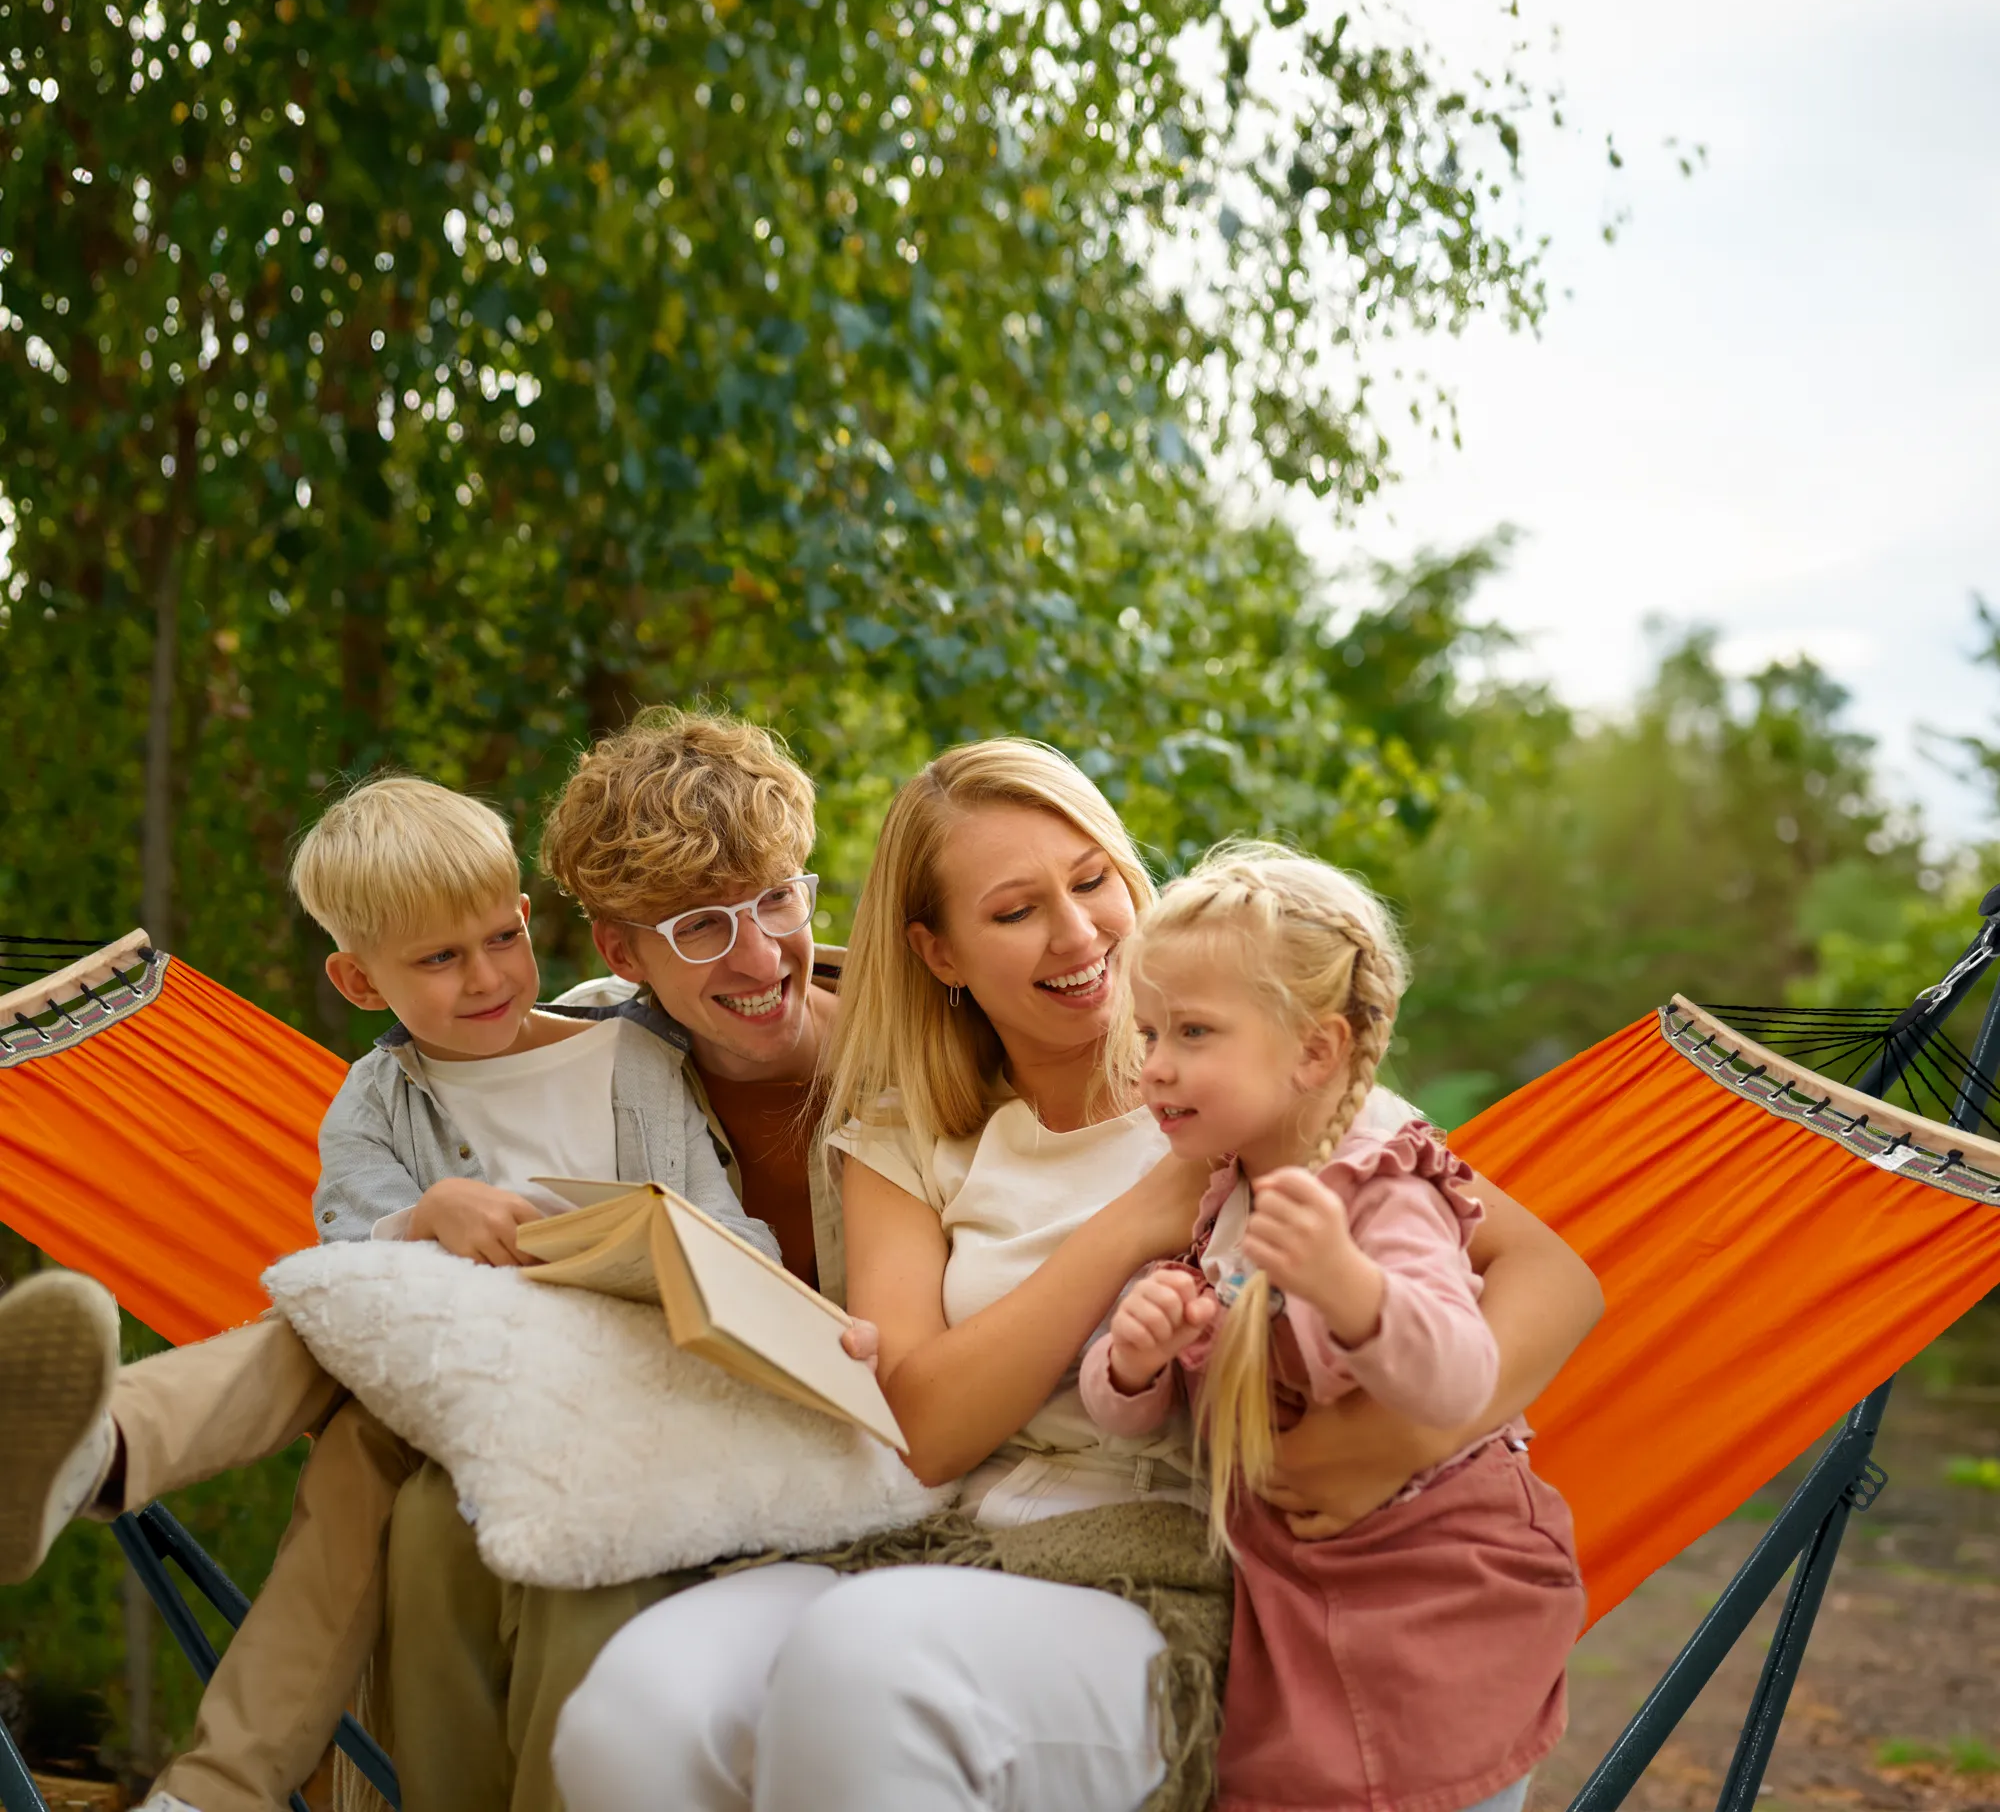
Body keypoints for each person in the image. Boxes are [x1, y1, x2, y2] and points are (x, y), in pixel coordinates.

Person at [551, 738, 1604, 1812]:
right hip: (938, 1535)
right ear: (940, 952)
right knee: (636, 1709)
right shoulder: (904, 1139)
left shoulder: (1245, 1080)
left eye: (1092, 878)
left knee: (872, 1661)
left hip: (1169, 1563)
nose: (1077, 931)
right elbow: (923, 1424)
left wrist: (1402, 1439)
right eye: (1013, 911)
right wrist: (1126, 1227)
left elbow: (1551, 1276)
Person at [0, 773, 770, 1812]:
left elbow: (733, 1240)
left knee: (341, 1402)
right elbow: (351, 1267)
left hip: (617, 1381)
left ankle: (106, 1454)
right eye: (438, 958)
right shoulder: (371, 1104)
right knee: (342, 1348)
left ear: (526, 917)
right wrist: (424, 1216)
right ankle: (91, 1480)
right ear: (360, 982)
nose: (485, 974)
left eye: (498, 936)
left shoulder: (630, 1057)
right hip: (446, 1391)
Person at [377, 710, 852, 1812]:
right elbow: (411, 1124)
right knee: (428, 1516)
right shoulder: (575, 1048)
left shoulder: (916, 1057)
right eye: (696, 926)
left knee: (583, 1548)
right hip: (627, 1407)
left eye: (775, 897)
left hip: (824, 1452)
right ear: (620, 950)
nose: (755, 954)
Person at [1079, 842, 1585, 1812]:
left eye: (1191, 1031)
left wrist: (1350, 1289)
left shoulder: (1380, 1189)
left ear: (1314, 1049)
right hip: (1302, 1594)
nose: (1153, 1066)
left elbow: (1456, 1377)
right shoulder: (1229, 1184)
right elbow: (1129, 1412)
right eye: (1147, 1032)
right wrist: (1132, 1360)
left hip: (1436, 1590)